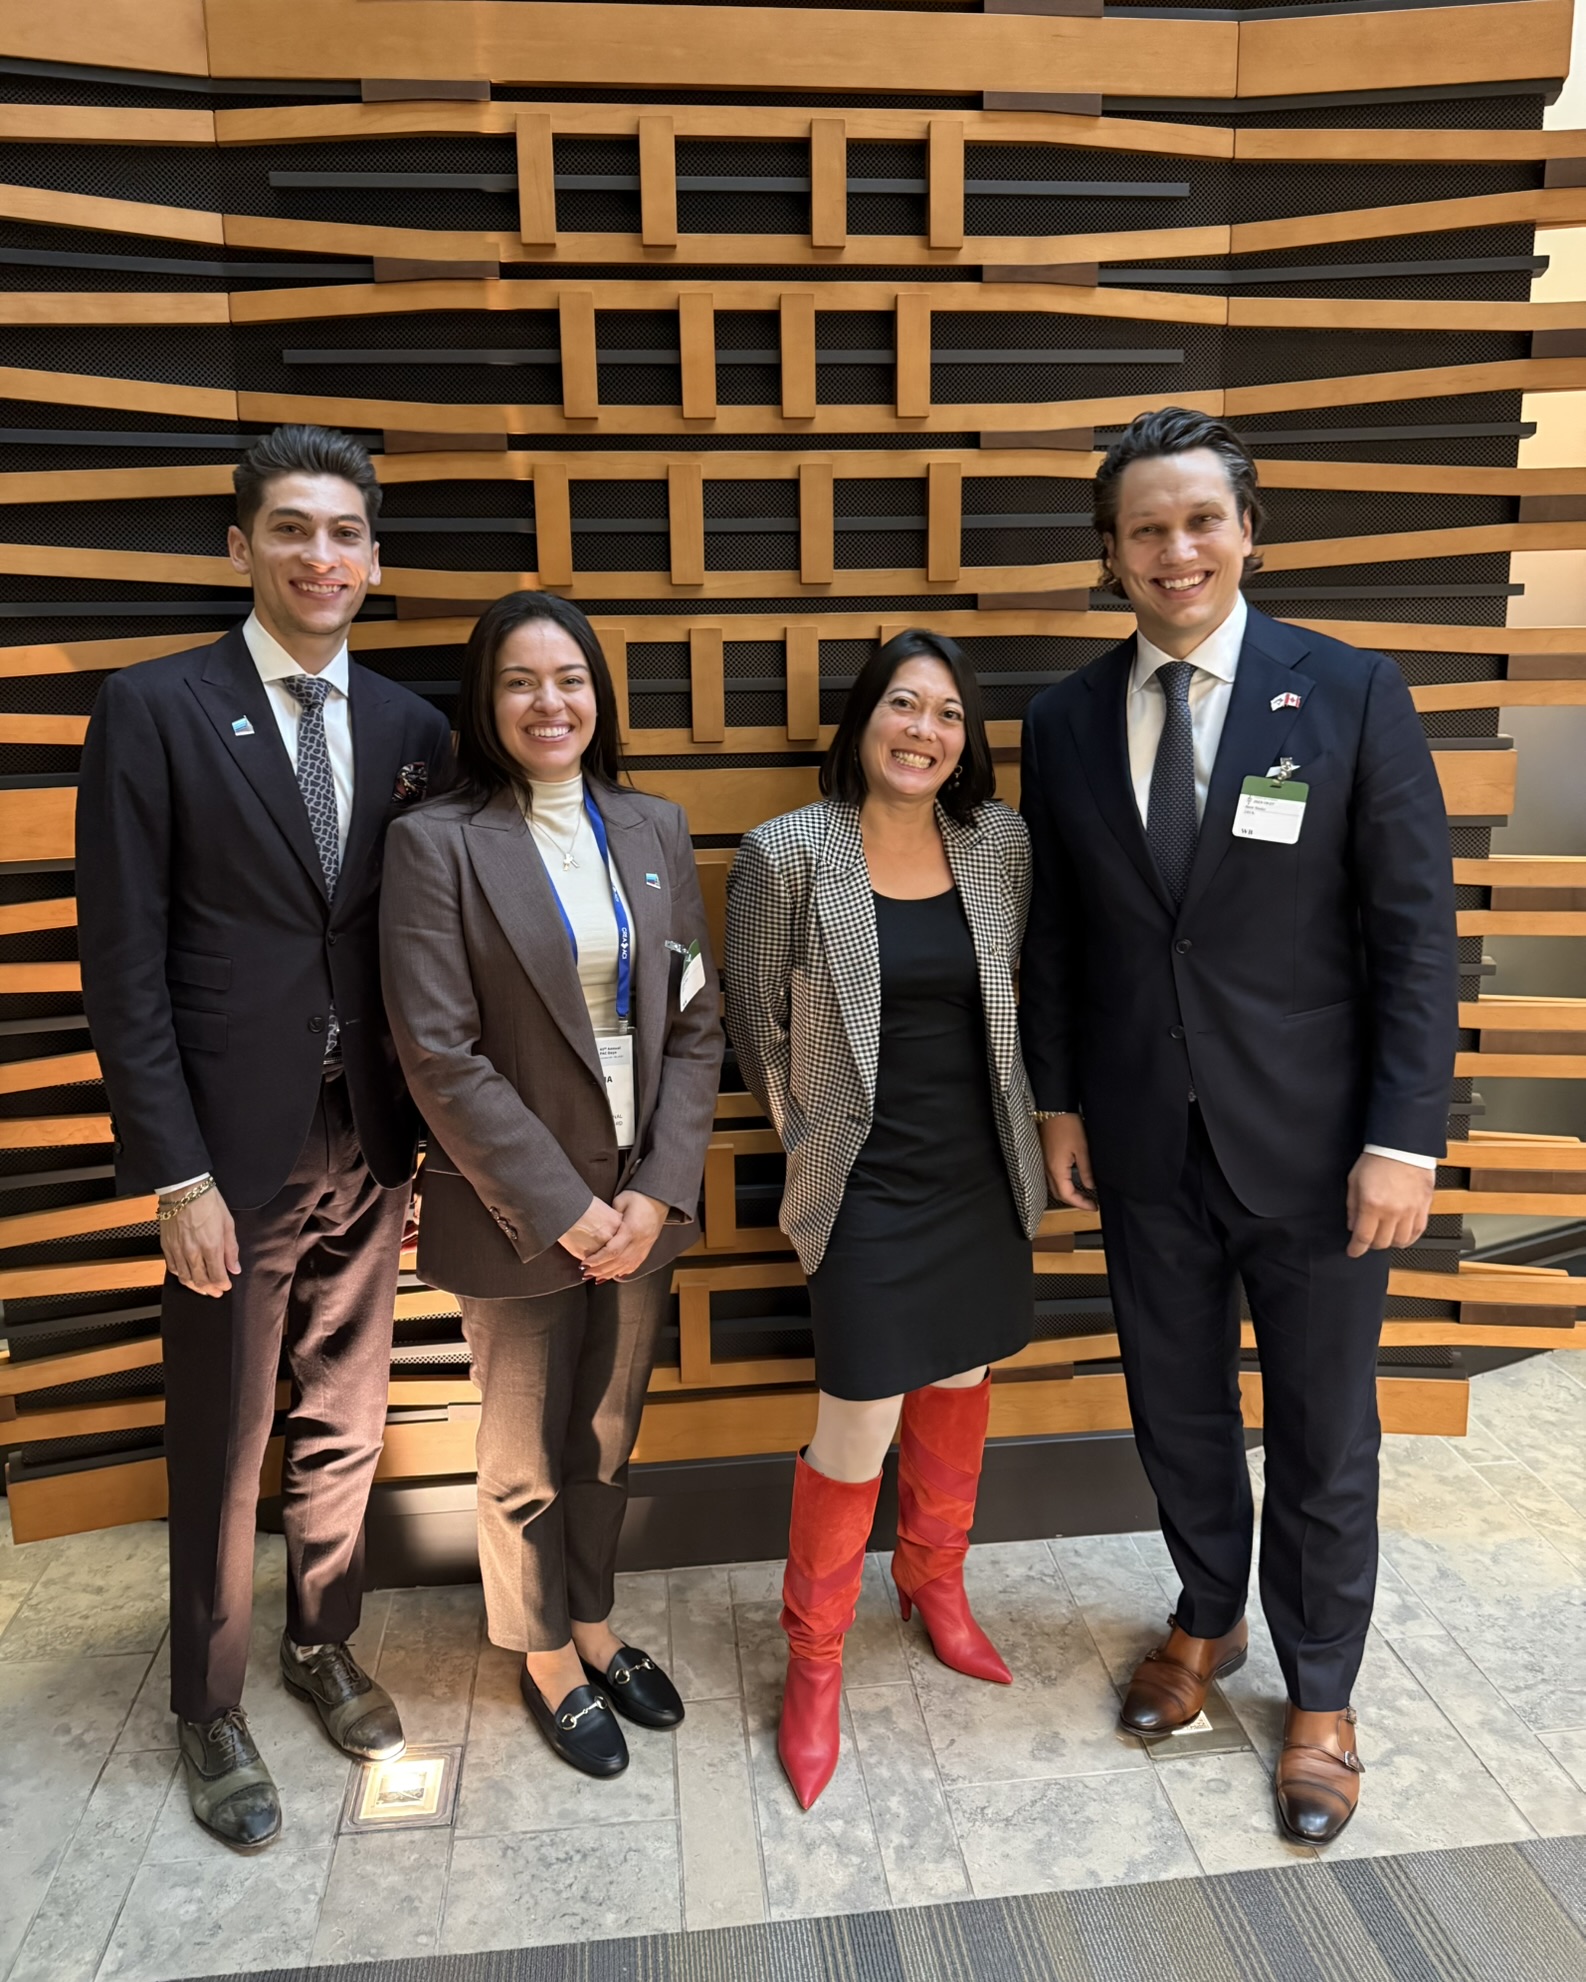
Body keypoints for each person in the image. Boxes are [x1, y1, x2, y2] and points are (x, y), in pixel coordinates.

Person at [1019, 407, 1458, 1845]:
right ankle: (1205, 1615)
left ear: (1247, 530)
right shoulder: (1066, 718)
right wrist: (1062, 1099)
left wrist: (1404, 1136)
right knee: (1178, 1409)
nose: (1174, 549)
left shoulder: (1345, 692)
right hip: (1146, 1146)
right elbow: (1064, 939)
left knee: (1326, 1429)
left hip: (1324, 1157)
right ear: (1110, 555)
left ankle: (1319, 1688)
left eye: (1199, 519)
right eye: (1144, 528)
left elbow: (1411, 935)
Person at [75, 426, 453, 1851]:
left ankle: (322, 1636)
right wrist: (173, 1171)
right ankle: (208, 1699)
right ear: (238, 546)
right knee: (225, 1441)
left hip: (371, 1144)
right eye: (291, 528)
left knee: (346, 1423)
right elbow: (123, 960)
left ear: (372, 555)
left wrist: (417, 1144)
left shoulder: (413, 730)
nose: (321, 555)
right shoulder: (156, 709)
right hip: (224, 1161)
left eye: (346, 531)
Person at [380, 591, 722, 1780]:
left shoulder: (651, 826)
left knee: (607, 1433)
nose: (548, 701)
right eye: (521, 681)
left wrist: (653, 1191)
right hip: (513, 1210)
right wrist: (566, 1205)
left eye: (568, 677)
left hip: (639, 1204)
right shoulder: (437, 845)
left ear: (597, 693)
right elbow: (437, 1051)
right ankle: (539, 1651)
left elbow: (693, 1022)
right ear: (486, 701)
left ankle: (592, 1617)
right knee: (523, 1451)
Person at [725, 629, 1046, 1811]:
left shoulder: (997, 842)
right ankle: (814, 1661)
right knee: (854, 1418)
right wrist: (816, 1143)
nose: (923, 730)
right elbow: (757, 1031)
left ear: (966, 739)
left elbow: (1017, 992)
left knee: (959, 1374)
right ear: (862, 722)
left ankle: (934, 1583)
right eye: (902, 706)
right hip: (862, 1183)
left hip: (978, 1169)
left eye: (947, 714)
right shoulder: (786, 853)